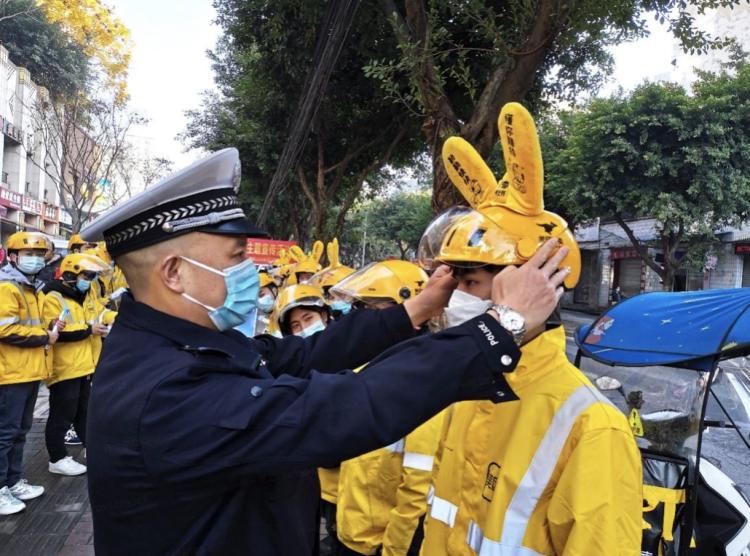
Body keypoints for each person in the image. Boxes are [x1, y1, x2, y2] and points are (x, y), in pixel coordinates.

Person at [80, 148, 570, 555]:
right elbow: (343, 407)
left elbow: (298, 356)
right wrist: (500, 325)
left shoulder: (179, 342)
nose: (250, 270)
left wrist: (411, 312)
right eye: (235, 258)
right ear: (174, 273)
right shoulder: (164, 393)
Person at [418, 102, 642, 555]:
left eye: (471, 283)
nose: (455, 299)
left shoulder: (592, 429)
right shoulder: (466, 388)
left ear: (538, 285)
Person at [330, 260, 442, 556]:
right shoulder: (370, 367)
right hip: (351, 532)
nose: (363, 321)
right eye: (359, 309)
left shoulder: (421, 380)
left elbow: (416, 490)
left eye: (372, 310)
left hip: (380, 546)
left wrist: (394, 550)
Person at [0, 231, 62, 515]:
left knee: (19, 432)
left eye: (39, 255)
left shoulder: (29, 286)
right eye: (29, 255)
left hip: (26, 371)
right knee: (5, 433)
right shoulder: (7, 286)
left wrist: (48, 327)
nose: (35, 260)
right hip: (9, 373)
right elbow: (5, 328)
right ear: (12, 257)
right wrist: (43, 336)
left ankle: (12, 482)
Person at [42, 253, 111, 476]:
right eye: (87, 275)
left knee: (84, 412)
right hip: (64, 367)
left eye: (92, 276)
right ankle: (58, 458)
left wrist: (117, 318)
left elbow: (100, 313)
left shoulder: (86, 293)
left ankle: (93, 448)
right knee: (62, 415)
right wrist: (89, 330)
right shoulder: (52, 296)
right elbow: (58, 334)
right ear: (71, 274)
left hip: (84, 365)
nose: (89, 280)